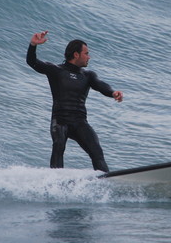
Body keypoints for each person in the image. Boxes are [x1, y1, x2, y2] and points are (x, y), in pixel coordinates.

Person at [26, 31, 123, 172]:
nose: (89, 57)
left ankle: (106, 182)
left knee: (97, 151)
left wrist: (112, 92)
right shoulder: (56, 70)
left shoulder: (88, 75)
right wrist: (33, 45)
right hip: (60, 121)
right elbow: (32, 62)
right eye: (86, 53)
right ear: (76, 54)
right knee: (59, 146)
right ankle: (55, 179)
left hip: (79, 122)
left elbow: (100, 85)